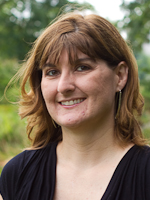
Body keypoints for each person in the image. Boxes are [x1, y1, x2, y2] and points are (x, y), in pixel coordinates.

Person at [0, 11, 150, 200]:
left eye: (82, 67)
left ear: (120, 76)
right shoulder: (18, 174)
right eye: (52, 72)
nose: (64, 86)